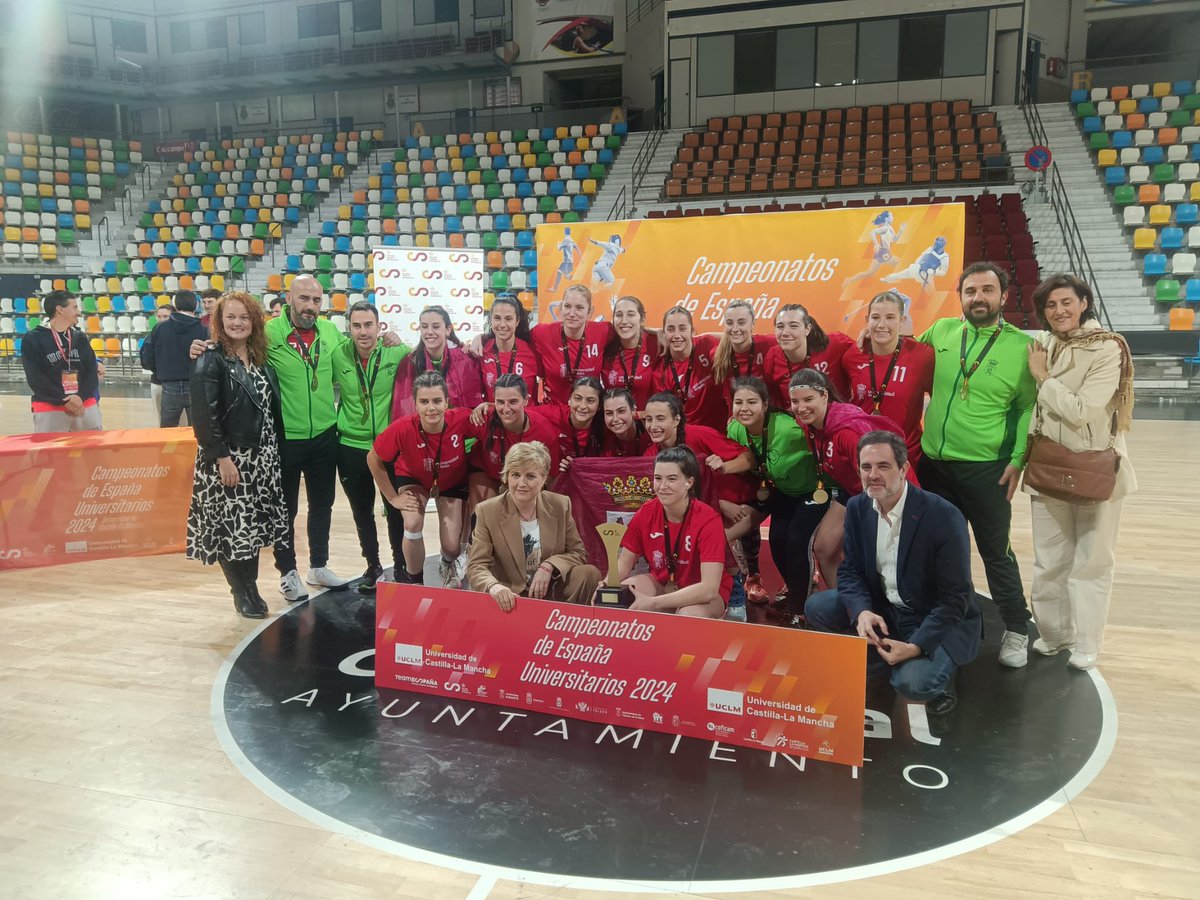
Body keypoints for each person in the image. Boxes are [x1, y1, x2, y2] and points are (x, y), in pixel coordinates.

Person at [805, 431, 981, 716]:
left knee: (914, 684)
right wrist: (862, 612)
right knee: (817, 606)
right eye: (866, 467)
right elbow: (849, 572)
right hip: (885, 605)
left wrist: (916, 647)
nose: (873, 475)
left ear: (904, 469)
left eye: (883, 466)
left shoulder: (943, 516)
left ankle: (940, 672)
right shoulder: (858, 507)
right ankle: (880, 658)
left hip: (930, 613)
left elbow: (955, 599)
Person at [917, 261, 1036, 667]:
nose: (978, 298)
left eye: (987, 290)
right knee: (933, 550)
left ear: (1004, 296)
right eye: (970, 291)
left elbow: (1026, 408)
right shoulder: (943, 331)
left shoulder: (1021, 347)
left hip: (987, 469)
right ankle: (934, 619)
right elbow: (906, 362)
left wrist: (1018, 459)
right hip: (934, 464)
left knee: (995, 552)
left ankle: (1018, 628)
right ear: (961, 297)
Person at [1023, 274, 1136, 670]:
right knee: (1049, 559)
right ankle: (1055, 636)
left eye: (1067, 302)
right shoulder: (1045, 344)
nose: (1059, 311)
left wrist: (1042, 377)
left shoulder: (1108, 348)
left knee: (1091, 561)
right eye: (1051, 305)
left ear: (1084, 302)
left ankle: (1088, 643)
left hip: (1093, 467)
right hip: (1048, 465)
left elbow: (1082, 410)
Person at [186, 292, 289, 619]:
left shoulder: (260, 357)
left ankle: (252, 586)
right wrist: (222, 457)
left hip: (263, 459)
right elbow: (204, 416)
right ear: (219, 321)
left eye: (244, 317)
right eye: (230, 317)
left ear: (255, 321)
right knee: (231, 528)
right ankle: (241, 591)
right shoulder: (209, 358)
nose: (237, 323)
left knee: (253, 528)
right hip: (230, 460)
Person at [789, 368, 914, 590]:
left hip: (889, 493)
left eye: (808, 399)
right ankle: (846, 605)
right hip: (856, 490)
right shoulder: (810, 425)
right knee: (825, 547)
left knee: (883, 558)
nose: (801, 407)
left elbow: (881, 479)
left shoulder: (847, 432)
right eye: (795, 402)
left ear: (825, 396)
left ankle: (886, 609)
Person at [368, 371, 482, 587]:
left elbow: (494, 418)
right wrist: (392, 498)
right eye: (424, 401)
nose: (431, 408)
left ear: (446, 402)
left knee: (451, 547)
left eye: (437, 401)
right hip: (414, 478)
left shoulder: (461, 419)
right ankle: (415, 581)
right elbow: (373, 458)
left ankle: (447, 562)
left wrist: (487, 406)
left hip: (452, 482)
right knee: (411, 523)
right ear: (415, 404)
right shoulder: (402, 428)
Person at [332, 301, 412, 592]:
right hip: (350, 446)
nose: (363, 331)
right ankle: (372, 565)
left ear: (380, 327)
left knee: (394, 508)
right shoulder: (337, 355)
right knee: (361, 511)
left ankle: (400, 564)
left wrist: (403, 340)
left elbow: (428, 357)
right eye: (357, 325)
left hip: (388, 447)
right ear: (349, 328)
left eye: (368, 325)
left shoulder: (396, 351)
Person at [466, 441, 601, 610]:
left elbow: (578, 552)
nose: (521, 483)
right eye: (515, 475)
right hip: (510, 594)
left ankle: (566, 626)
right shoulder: (487, 511)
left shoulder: (560, 504)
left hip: (550, 589)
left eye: (530, 476)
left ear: (543, 478)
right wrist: (494, 586)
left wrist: (549, 566)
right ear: (506, 476)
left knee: (588, 574)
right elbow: (477, 566)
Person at [727, 376, 822, 614]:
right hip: (780, 493)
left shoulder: (790, 428)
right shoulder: (735, 428)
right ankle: (795, 592)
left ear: (765, 404)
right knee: (778, 541)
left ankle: (800, 609)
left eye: (752, 402)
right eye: (738, 402)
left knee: (797, 541)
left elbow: (821, 445)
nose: (744, 408)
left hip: (813, 491)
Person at [616, 446, 731, 618]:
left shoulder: (708, 520)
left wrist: (653, 602)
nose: (662, 486)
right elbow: (625, 563)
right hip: (663, 583)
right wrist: (606, 585)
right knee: (621, 597)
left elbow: (709, 589)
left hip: (701, 593)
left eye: (671, 479)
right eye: (657, 478)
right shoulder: (646, 512)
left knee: (688, 614)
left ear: (689, 482)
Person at [840, 290, 934, 465]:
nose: (881, 324)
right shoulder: (852, 355)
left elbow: (939, 397)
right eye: (875, 318)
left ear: (902, 321)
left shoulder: (922, 356)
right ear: (867, 320)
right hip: (864, 456)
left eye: (890, 317)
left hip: (907, 458)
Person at [467, 372, 560, 505]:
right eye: (500, 402)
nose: (506, 409)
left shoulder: (545, 432)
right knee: (483, 512)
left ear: (526, 400)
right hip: (486, 472)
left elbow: (549, 477)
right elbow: (450, 422)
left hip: (522, 478)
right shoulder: (483, 417)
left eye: (513, 402)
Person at [21, 289, 102, 433]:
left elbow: (91, 372)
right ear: (60, 310)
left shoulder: (80, 338)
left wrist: (80, 397)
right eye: (74, 307)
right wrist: (65, 400)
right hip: (50, 408)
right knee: (50, 455)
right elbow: (36, 379)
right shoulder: (33, 339)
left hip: (85, 405)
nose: (78, 313)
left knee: (91, 454)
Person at [393, 305, 485, 416]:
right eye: (424, 327)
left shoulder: (465, 360)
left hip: (457, 429)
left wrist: (482, 337)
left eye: (436, 327)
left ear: (448, 330)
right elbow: (403, 409)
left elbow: (473, 405)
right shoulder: (410, 363)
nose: (429, 332)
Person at [530, 284, 612, 405]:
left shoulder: (604, 331)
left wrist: (649, 332)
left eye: (579, 308)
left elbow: (628, 329)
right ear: (561, 308)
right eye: (567, 306)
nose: (572, 313)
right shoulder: (541, 333)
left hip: (588, 413)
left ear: (590, 312)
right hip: (555, 411)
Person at [762, 303, 855, 406]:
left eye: (793, 326)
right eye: (780, 326)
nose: (785, 333)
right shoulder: (772, 357)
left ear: (807, 329)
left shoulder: (836, 344)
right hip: (797, 419)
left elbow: (864, 353)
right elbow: (773, 396)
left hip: (840, 416)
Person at [653, 305, 727, 431]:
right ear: (663, 333)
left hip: (720, 431)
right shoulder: (661, 372)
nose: (677, 335)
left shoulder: (706, 344)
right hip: (688, 436)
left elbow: (733, 338)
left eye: (682, 329)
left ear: (692, 331)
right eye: (671, 329)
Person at [147, 290, 210, 428]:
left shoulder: (159, 328)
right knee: (198, 429)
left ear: (175, 305)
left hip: (169, 385)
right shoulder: (204, 329)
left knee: (168, 430)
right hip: (196, 385)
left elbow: (147, 357)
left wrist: (158, 371)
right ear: (196, 305)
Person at [537, 376, 606, 473]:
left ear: (599, 406)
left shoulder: (606, 424)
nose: (582, 406)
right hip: (559, 479)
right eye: (578, 399)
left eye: (590, 401)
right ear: (569, 400)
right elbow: (521, 413)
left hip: (592, 479)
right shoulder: (553, 414)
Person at [600, 295, 659, 410]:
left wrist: (661, 332)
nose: (624, 321)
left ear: (642, 319)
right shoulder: (604, 345)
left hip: (650, 423)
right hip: (616, 422)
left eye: (631, 314)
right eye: (619, 315)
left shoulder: (656, 344)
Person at [480, 294, 540, 403]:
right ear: (490, 319)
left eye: (508, 319)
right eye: (497, 318)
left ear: (517, 321)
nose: (502, 324)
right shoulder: (481, 351)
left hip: (527, 418)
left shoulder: (532, 351)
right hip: (495, 418)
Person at [710, 299, 775, 396]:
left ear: (753, 323)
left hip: (768, 409)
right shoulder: (717, 355)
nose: (735, 329)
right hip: (736, 411)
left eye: (741, 323)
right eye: (729, 323)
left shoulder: (769, 344)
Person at [842, 210, 905, 290]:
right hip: (883, 253)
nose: (892, 218)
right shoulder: (885, 228)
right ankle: (888, 279)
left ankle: (849, 279)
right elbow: (872, 232)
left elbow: (895, 239)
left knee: (869, 273)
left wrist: (901, 230)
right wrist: (876, 244)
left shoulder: (890, 228)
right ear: (886, 219)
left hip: (881, 253)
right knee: (901, 264)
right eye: (891, 216)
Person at [142, 305, 174, 422]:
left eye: (165, 316)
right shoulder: (151, 337)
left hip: (178, 386)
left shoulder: (180, 336)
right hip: (158, 383)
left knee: (183, 423)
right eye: (159, 316)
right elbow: (146, 362)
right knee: (161, 420)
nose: (161, 319)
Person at [600, 387, 651, 457]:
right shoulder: (603, 438)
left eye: (621, 411)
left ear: (633, 410)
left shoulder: (651, 429)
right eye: (609, 413)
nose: (615, 419)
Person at [551, 227, 581, 292]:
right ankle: (573, 281)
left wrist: (558, 244)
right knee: (561, 273)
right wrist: (581, 257)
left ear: (564, 232)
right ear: (570, 232)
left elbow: (559, 248)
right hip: (570, 262)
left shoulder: (565, 240)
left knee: (562, 274)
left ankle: (555, 288)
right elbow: (577, 248)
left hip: (567, 262)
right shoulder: (572, 240)